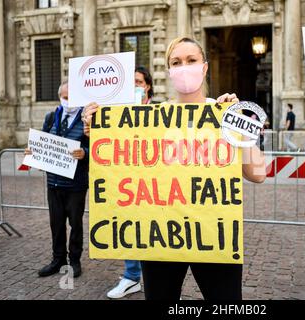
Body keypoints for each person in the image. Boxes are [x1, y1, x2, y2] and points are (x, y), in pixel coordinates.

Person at [82, 37, 266, 300]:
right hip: (161, 236)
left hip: (212, 235)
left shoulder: (223, 114)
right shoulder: (151, 118)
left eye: (191, 61)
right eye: (176, 62)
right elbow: (121, 161)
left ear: (204, 67)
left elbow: (258, 174)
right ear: (169, 71)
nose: (184, 67)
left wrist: (239, 124)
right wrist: (97, 126)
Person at [25, 81, 88, 278]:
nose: (68, 101)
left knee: (75, 224)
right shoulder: (51, 117)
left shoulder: (87, 120)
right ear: (60, 96)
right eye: (65, 97)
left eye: (72, 97)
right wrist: (32, 152)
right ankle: (57, 259)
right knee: (56, 223)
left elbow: (95, 147)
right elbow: (43, 141)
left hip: (75, 183)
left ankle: (75, 261)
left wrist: (84, 152)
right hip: (53, 182)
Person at [105, 66, 156, 299]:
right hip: (128, 183)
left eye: (138, 82)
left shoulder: (160, 111)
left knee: (155, 230)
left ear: (147, 87)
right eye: (131, 83)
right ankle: (132, 276)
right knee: (131, 228)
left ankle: (155, 277)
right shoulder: (118, 113)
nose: (135, 86)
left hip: (157, 184)